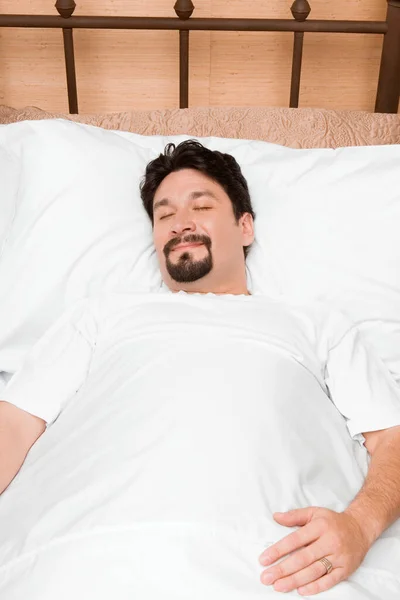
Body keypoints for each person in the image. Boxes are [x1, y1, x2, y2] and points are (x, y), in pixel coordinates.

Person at [1, 140, 400, 599]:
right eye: (164, 215)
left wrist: (359, 526)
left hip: (274, 568)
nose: (180, 223)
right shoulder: (100, 315)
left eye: (202, 206)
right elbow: (13, 424)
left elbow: (391, 437)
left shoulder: (314, 323)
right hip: (75, 562)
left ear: (245, 226)